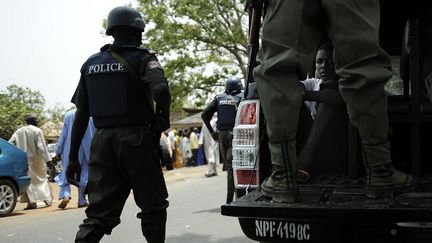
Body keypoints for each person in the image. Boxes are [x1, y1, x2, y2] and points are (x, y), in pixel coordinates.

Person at [248, 0, 412, 203]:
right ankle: (380, 171)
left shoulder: (319, 85)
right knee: (361, 63)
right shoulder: (313, 83)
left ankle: (283, 176)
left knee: (279, 66)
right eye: (319, 62)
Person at [66, 6, 171, 242]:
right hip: (137, 141)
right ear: (137, 30)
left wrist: (73, 158)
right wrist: (163, 119)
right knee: (153, 208)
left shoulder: (90, 64)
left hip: (101, 144)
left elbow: (81, 112)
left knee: (98, 215)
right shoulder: (144, 58)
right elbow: (161, 89)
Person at [296, 43, 348, 183]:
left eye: (329, 61)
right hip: (311, 146)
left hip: (336, 148)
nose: (324, 66)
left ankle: (304, 161)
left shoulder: (347, 84)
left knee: (330, 98)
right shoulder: (313, 83)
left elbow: (341, 98)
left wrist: (306, 95)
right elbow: (294, 88)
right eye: (319, 61)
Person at [202, 76, 243, 203]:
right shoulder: (242, 97)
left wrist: (212, 132)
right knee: (232, 167)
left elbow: (204, 115)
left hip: (221, 135)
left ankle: (235, 197)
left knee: (229, 166)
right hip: (236, 134)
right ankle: (230, 200)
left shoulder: (219, 98)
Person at [8, 113, 53, 209]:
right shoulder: (37, 131)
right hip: (37, 160)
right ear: (32, 120)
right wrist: (48, 160)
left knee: (29, 182)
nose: (37, 121)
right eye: (36, 119)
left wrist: (16, 154)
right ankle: (47, 200)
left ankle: (31, 203)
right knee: (41, 180)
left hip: (23, 160)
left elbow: (10, 143)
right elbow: (41, 148)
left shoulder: (19, 131)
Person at [54, 109, 96, 209]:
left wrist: (58, 150)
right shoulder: (92, 115)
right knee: (84, 174)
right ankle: (81, 200)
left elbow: (63, 134)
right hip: (88, 149)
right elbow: (95, 132)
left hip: (70, 148)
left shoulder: (68, 115)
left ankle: (66, 195)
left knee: (66, 173)